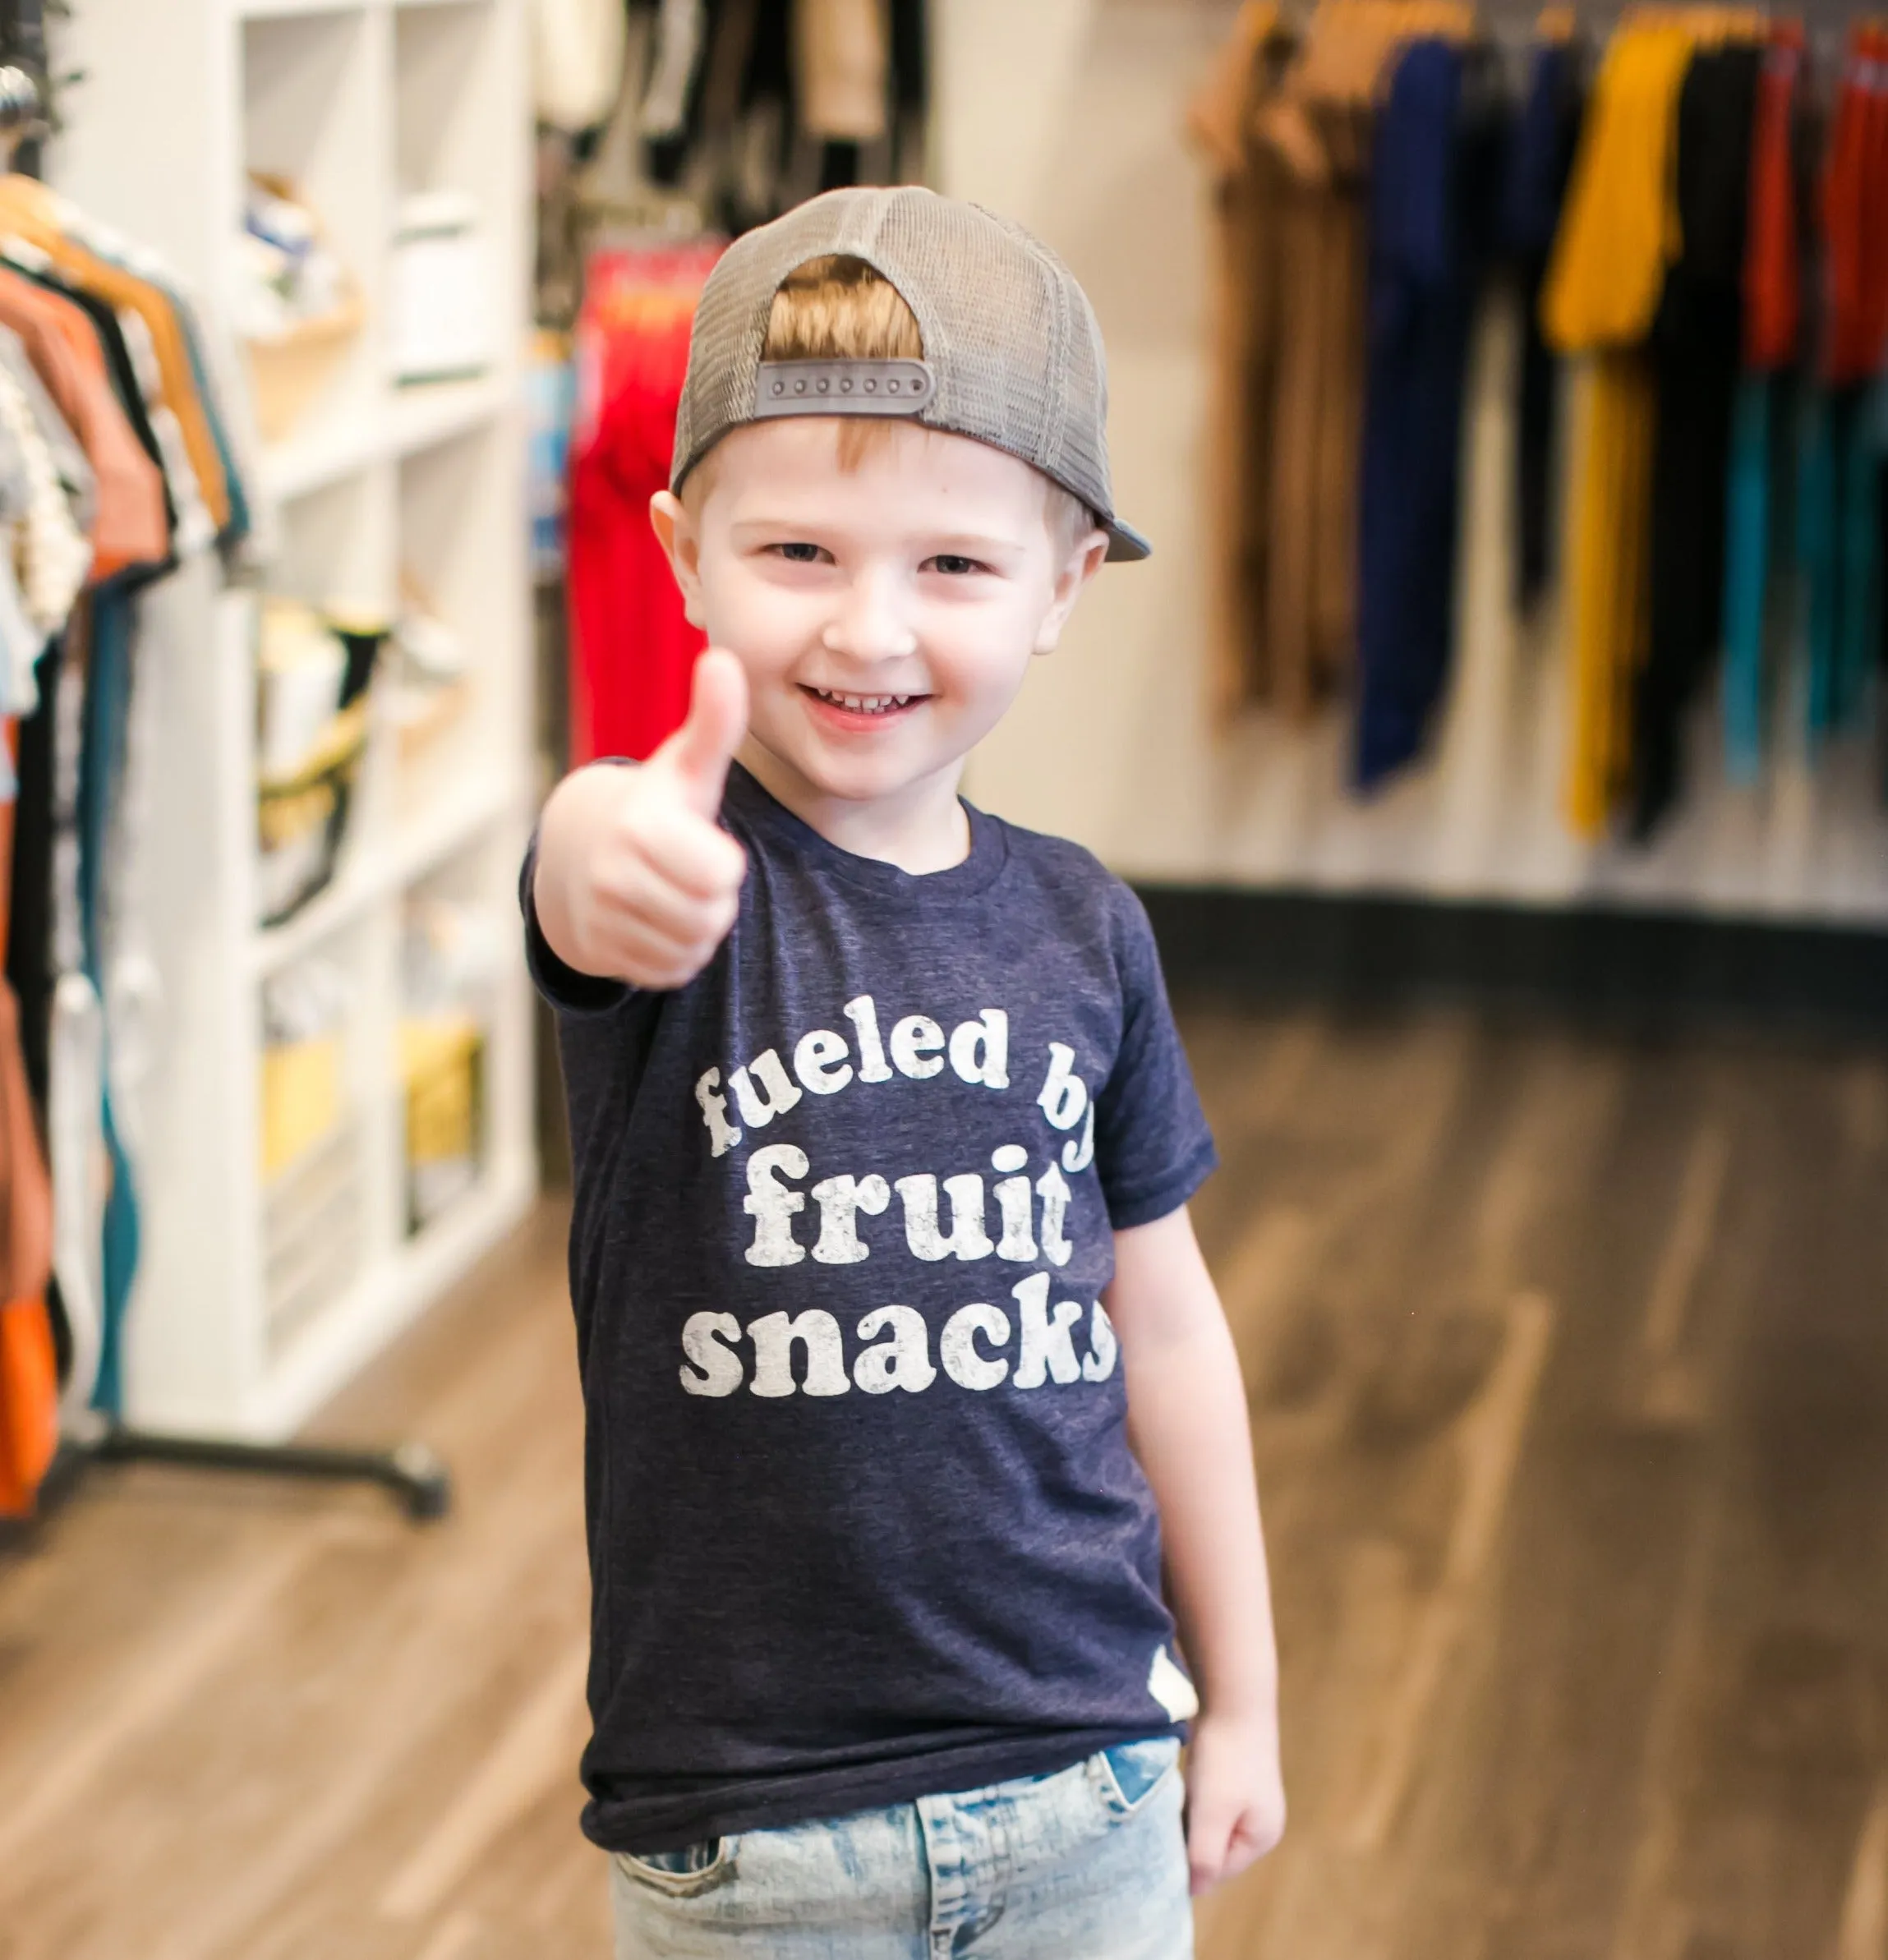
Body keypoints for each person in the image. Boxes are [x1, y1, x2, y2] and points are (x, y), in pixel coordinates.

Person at [524, 185, 1284, 1958]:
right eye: (797, 553)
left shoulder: (1087, 930)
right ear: (681, 550)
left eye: (950, 564)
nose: (869, 630)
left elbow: (1164, 1327)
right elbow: (581, 868)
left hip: (1085, 1780)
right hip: (753, 1836)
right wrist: (606, 834)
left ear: (1065, 583)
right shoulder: (672, 873)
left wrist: (1237, 1692)